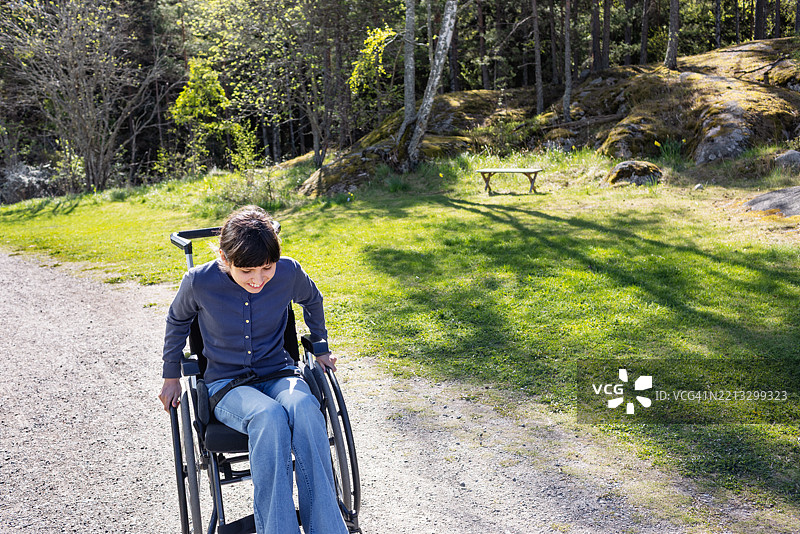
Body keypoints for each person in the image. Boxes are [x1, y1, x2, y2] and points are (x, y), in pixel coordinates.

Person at [158, 205, 348, 534]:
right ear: (224, 258)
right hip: (228, 385)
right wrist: (170, 375)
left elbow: (312, 300)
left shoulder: (288, 273)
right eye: (247, 271)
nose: (258, 280)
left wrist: (321, 348)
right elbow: (177, 321)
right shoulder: (199, 282)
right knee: (268, 416)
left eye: (266, 268)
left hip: (279, 374)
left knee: (304, 407)